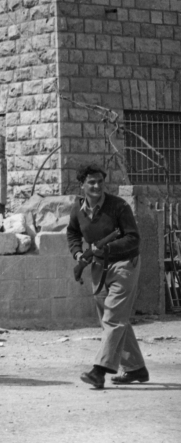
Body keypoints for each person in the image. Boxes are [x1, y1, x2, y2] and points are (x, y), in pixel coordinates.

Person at [67, 164, 147, 389]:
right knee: (112, 319)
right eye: (91, 182)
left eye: (100, 182)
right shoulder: (77, 209)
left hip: (124, 264)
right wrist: (78, 254)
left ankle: (99, 371)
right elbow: (72, 232)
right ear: (82, 185)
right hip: (98, 266)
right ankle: (135, 368)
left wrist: (107, 248)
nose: (96, 186)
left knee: (113, 318)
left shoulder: (119, 206)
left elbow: (133, 238)